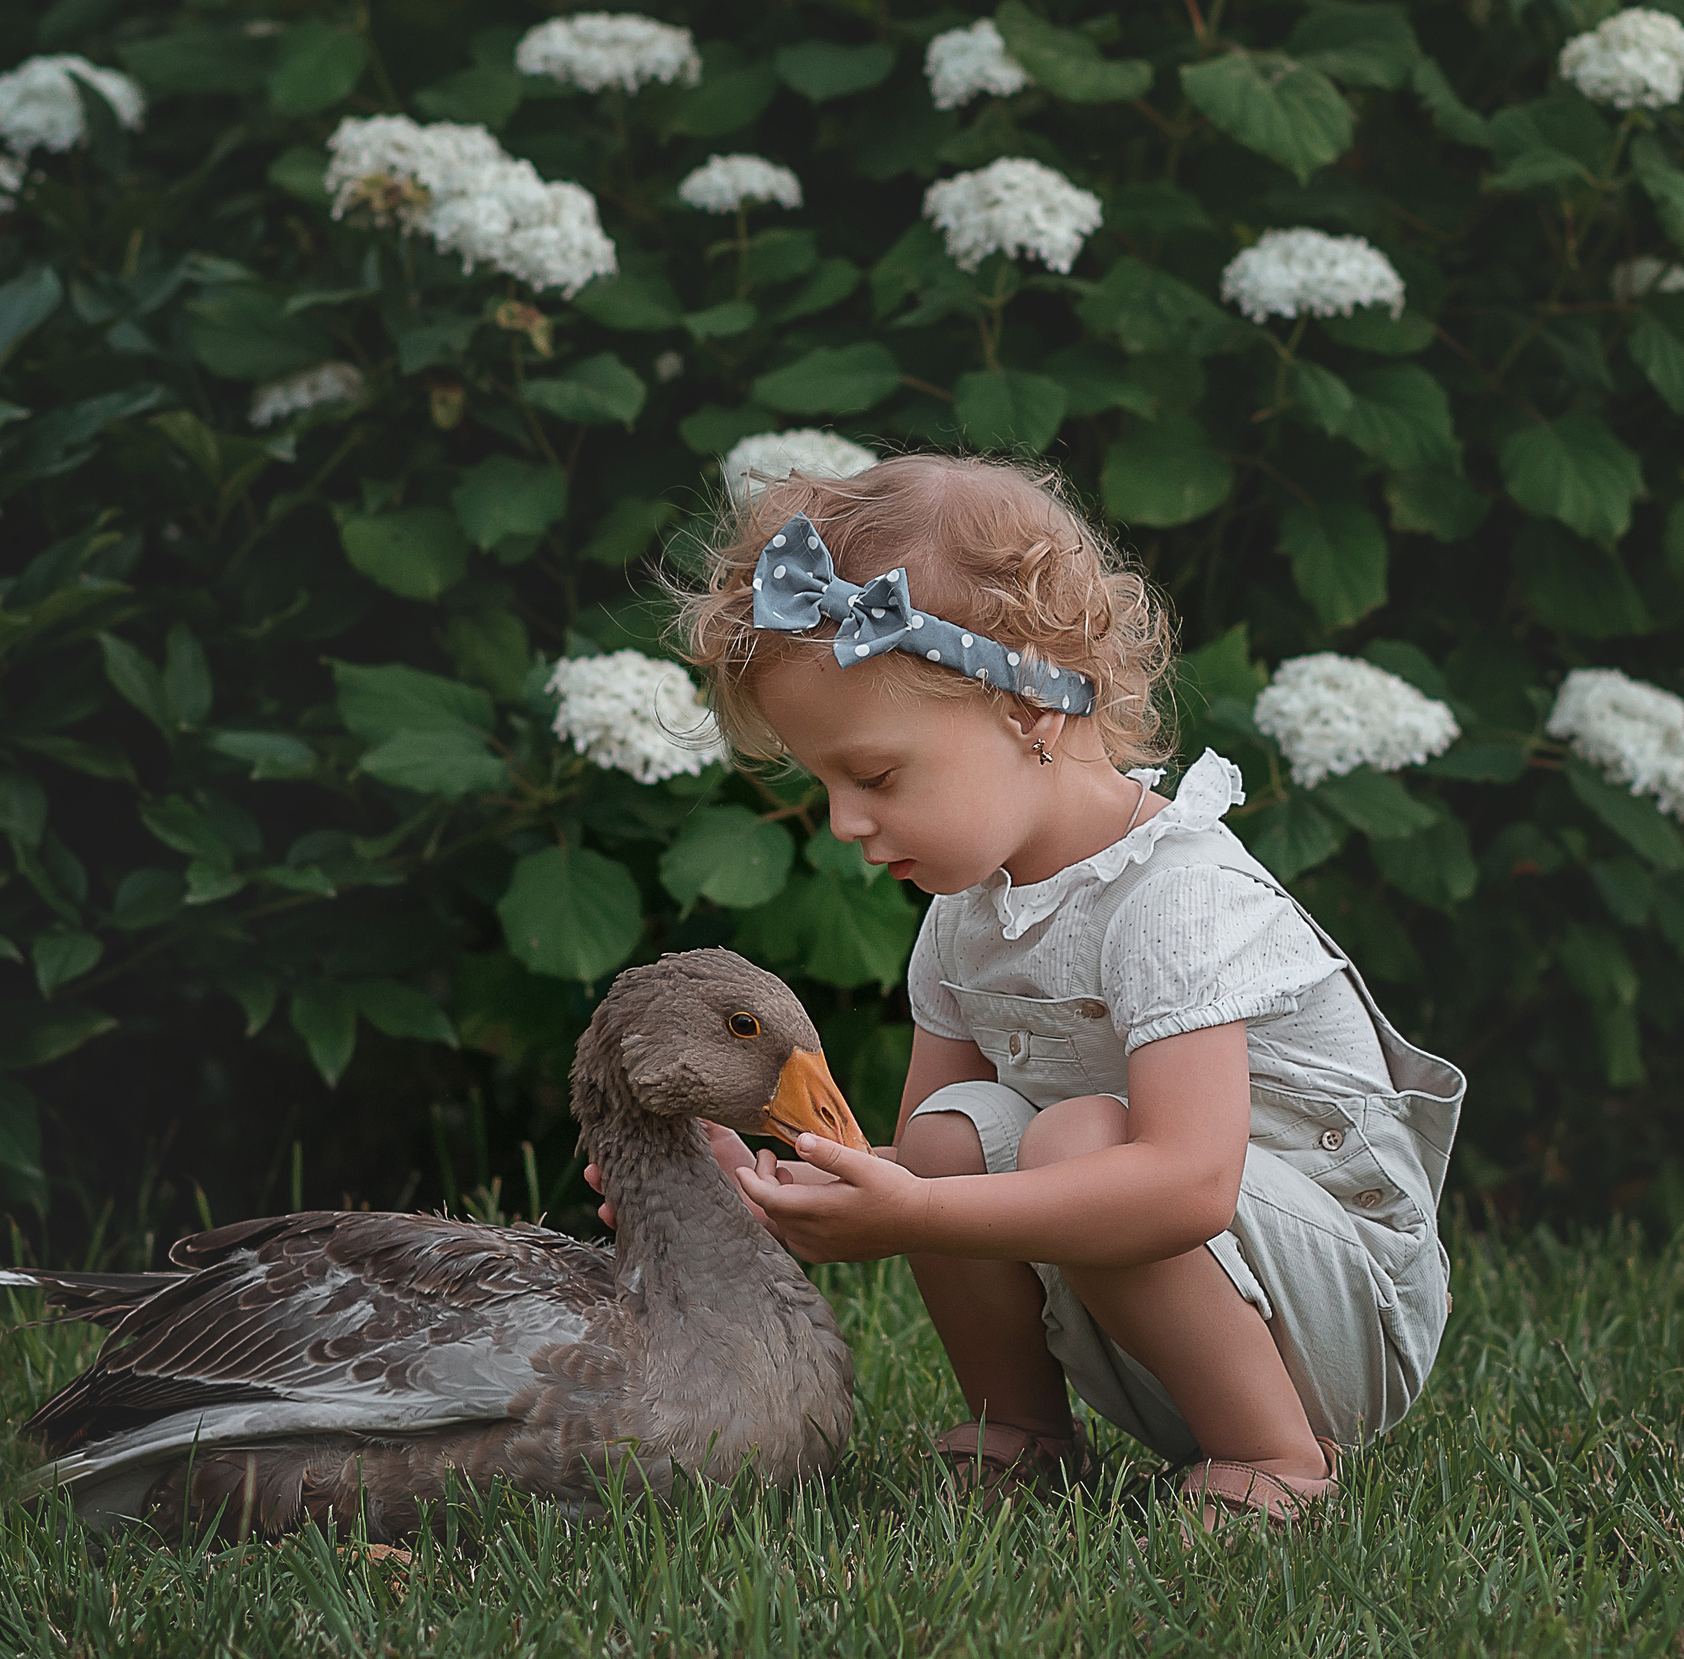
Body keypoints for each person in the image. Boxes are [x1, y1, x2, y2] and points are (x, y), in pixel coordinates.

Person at [593, 454, 1463, 1529]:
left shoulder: (1176, 896)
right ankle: (1021, 1432)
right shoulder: (966, 919)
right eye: (823, 784)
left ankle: (1274, 1456)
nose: (844, 822)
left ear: (1027, 709)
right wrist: (777, 1190)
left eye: (873, 775)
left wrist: (912, 1207)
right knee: (956, 1133)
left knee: (1082, 1136)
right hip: (1162, 1303)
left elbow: (1190, 1183)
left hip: (1340, 1313)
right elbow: (918, 1173)